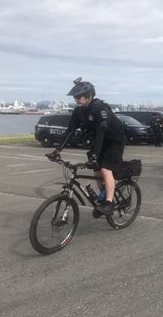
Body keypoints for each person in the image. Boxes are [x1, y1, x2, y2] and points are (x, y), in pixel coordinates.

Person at [50, 77, 125, 216]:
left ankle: (109, 203)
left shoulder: (100, 109)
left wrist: (95, 155)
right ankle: (103, 199)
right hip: (99, 140)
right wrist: (57, 150)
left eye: (80, 97)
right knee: (96, 171)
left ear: (89, 96)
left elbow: (102, 132)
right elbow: (70, 131)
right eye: (75, 97)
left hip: (114, 140)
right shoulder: (78, 112)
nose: (77, 100)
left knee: (105, 169)